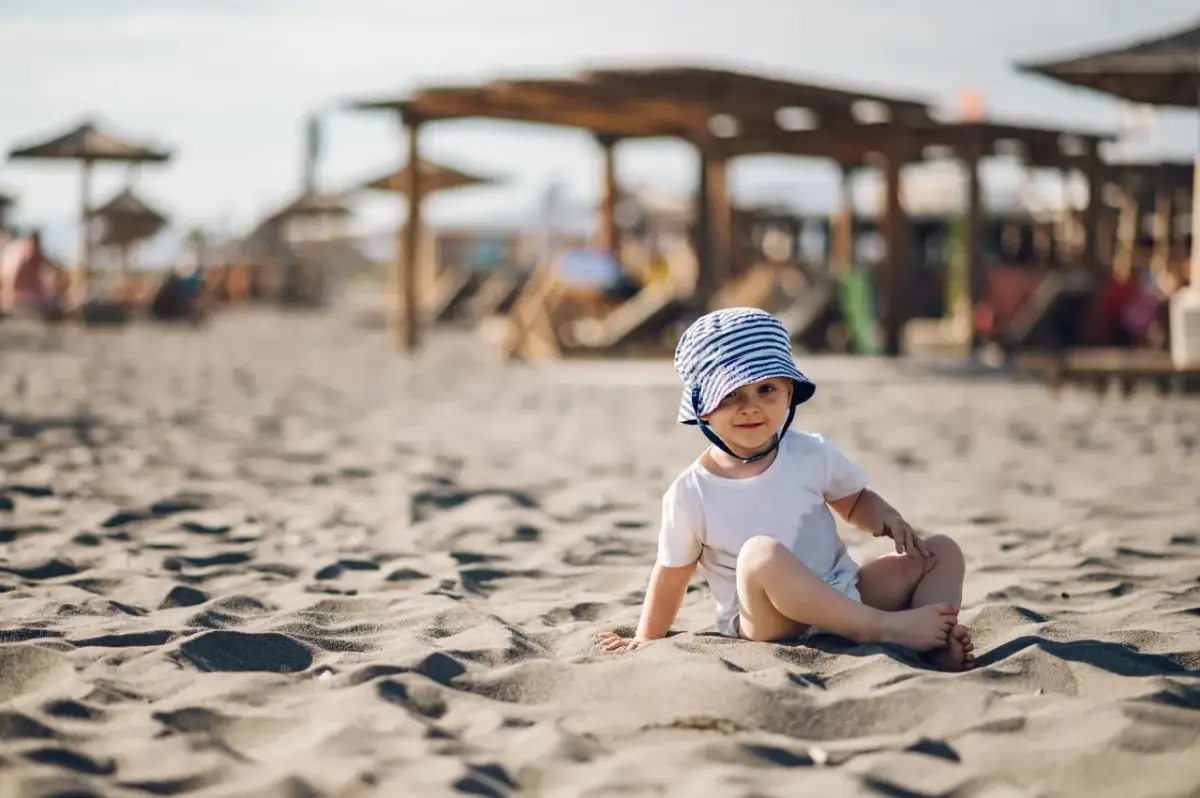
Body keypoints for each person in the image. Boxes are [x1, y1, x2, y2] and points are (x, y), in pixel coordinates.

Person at [597, 307, 974, 671]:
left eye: (766, 389)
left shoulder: (811, 453)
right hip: (770, 621)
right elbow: (670, 576)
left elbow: (855, 502)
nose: (750, 408)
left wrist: (886, 518)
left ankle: (937, 645)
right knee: (761, 555)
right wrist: (646, 638)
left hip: (844, 593)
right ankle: (883, 628)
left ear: (789, 393)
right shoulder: (691, 492)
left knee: (941, 551)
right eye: (730, 395)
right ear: (702, 409)